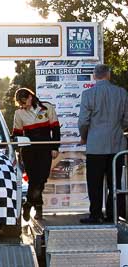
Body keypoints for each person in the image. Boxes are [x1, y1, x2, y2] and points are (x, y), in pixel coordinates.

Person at [78, 64, 128, 224]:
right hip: (117, 145)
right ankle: (113, 215)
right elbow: (126, 119)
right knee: (115, 183)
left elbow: (83, 121)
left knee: (95, 183)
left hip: (95, 145)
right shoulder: (121, 92)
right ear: (109, 75)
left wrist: (85, 137)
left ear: (94, 76)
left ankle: (95, 215)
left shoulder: (88, 94)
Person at [13, 88, 60, 221]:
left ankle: (28, 204)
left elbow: (55, 128)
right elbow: (17, 134)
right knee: (34, 180)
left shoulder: (47, 107)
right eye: (20, 103)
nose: (23, 105)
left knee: (42, 179)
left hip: (45, 148)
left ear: (30, 97)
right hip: (28, 151)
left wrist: (55, 147)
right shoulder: (19, 113)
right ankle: (39, 208)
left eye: (24, 102)